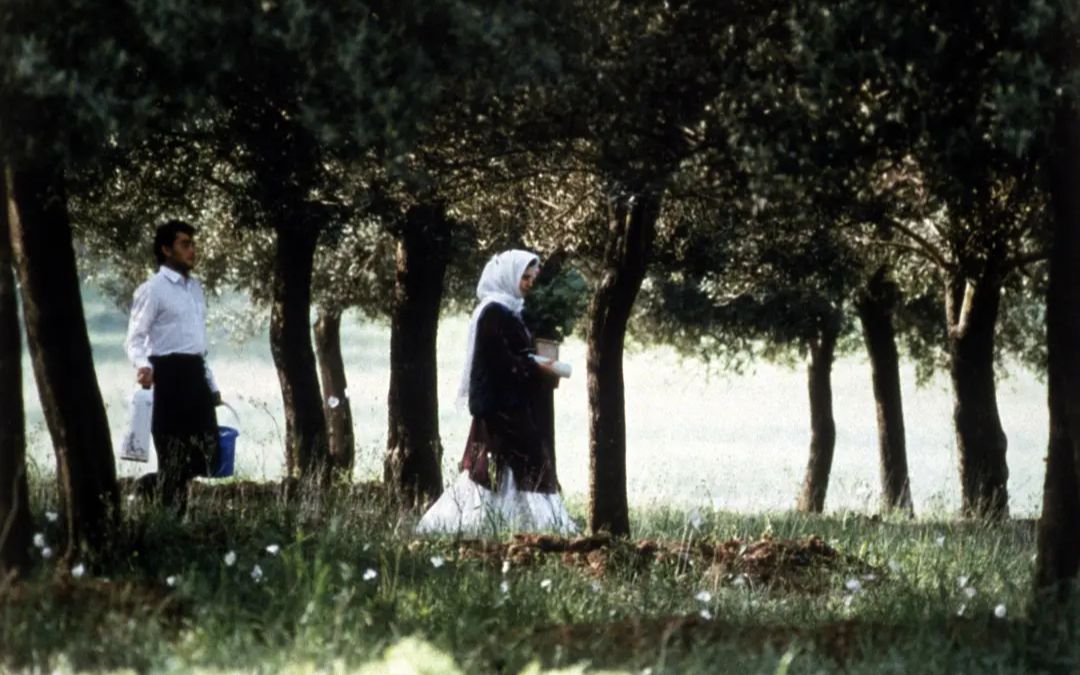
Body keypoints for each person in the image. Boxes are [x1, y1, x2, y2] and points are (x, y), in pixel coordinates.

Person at [417, 250, 578, 535]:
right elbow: (500, 362)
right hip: (500, 407)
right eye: (524, 277)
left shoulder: (511, 311)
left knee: (503, 469)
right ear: (508, 277)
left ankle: (516, 528)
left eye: (531, 278)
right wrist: (534, 368)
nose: (528, 283)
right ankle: (543, 529)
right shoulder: (493, 312)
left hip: (510, 404)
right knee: (521, 465)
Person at [125, 220, 222, 513]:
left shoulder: (195, 289)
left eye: (192, 243)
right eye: (185, 244)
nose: (192, 250)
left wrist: (212, 385)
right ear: (166, 249)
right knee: (173, 456)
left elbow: (198, 344)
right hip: (166, 377)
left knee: (211, 455)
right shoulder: (152, 290)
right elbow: (134, 339)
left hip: (195, 374)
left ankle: (148, 487)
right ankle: (171, 523)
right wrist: (143, 366)